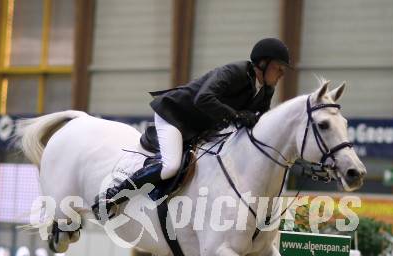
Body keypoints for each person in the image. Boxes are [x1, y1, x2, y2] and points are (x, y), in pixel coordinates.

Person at [95, 38, 291, 214]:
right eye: (279, 68)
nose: (282, 74)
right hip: (175, 116)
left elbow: (259, 123)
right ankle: (114, 195)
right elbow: (203, 98)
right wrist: (237, 115)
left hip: (200, 129)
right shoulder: (235, 72)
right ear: (263, 63)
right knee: (171, 166)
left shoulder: (266, 90)